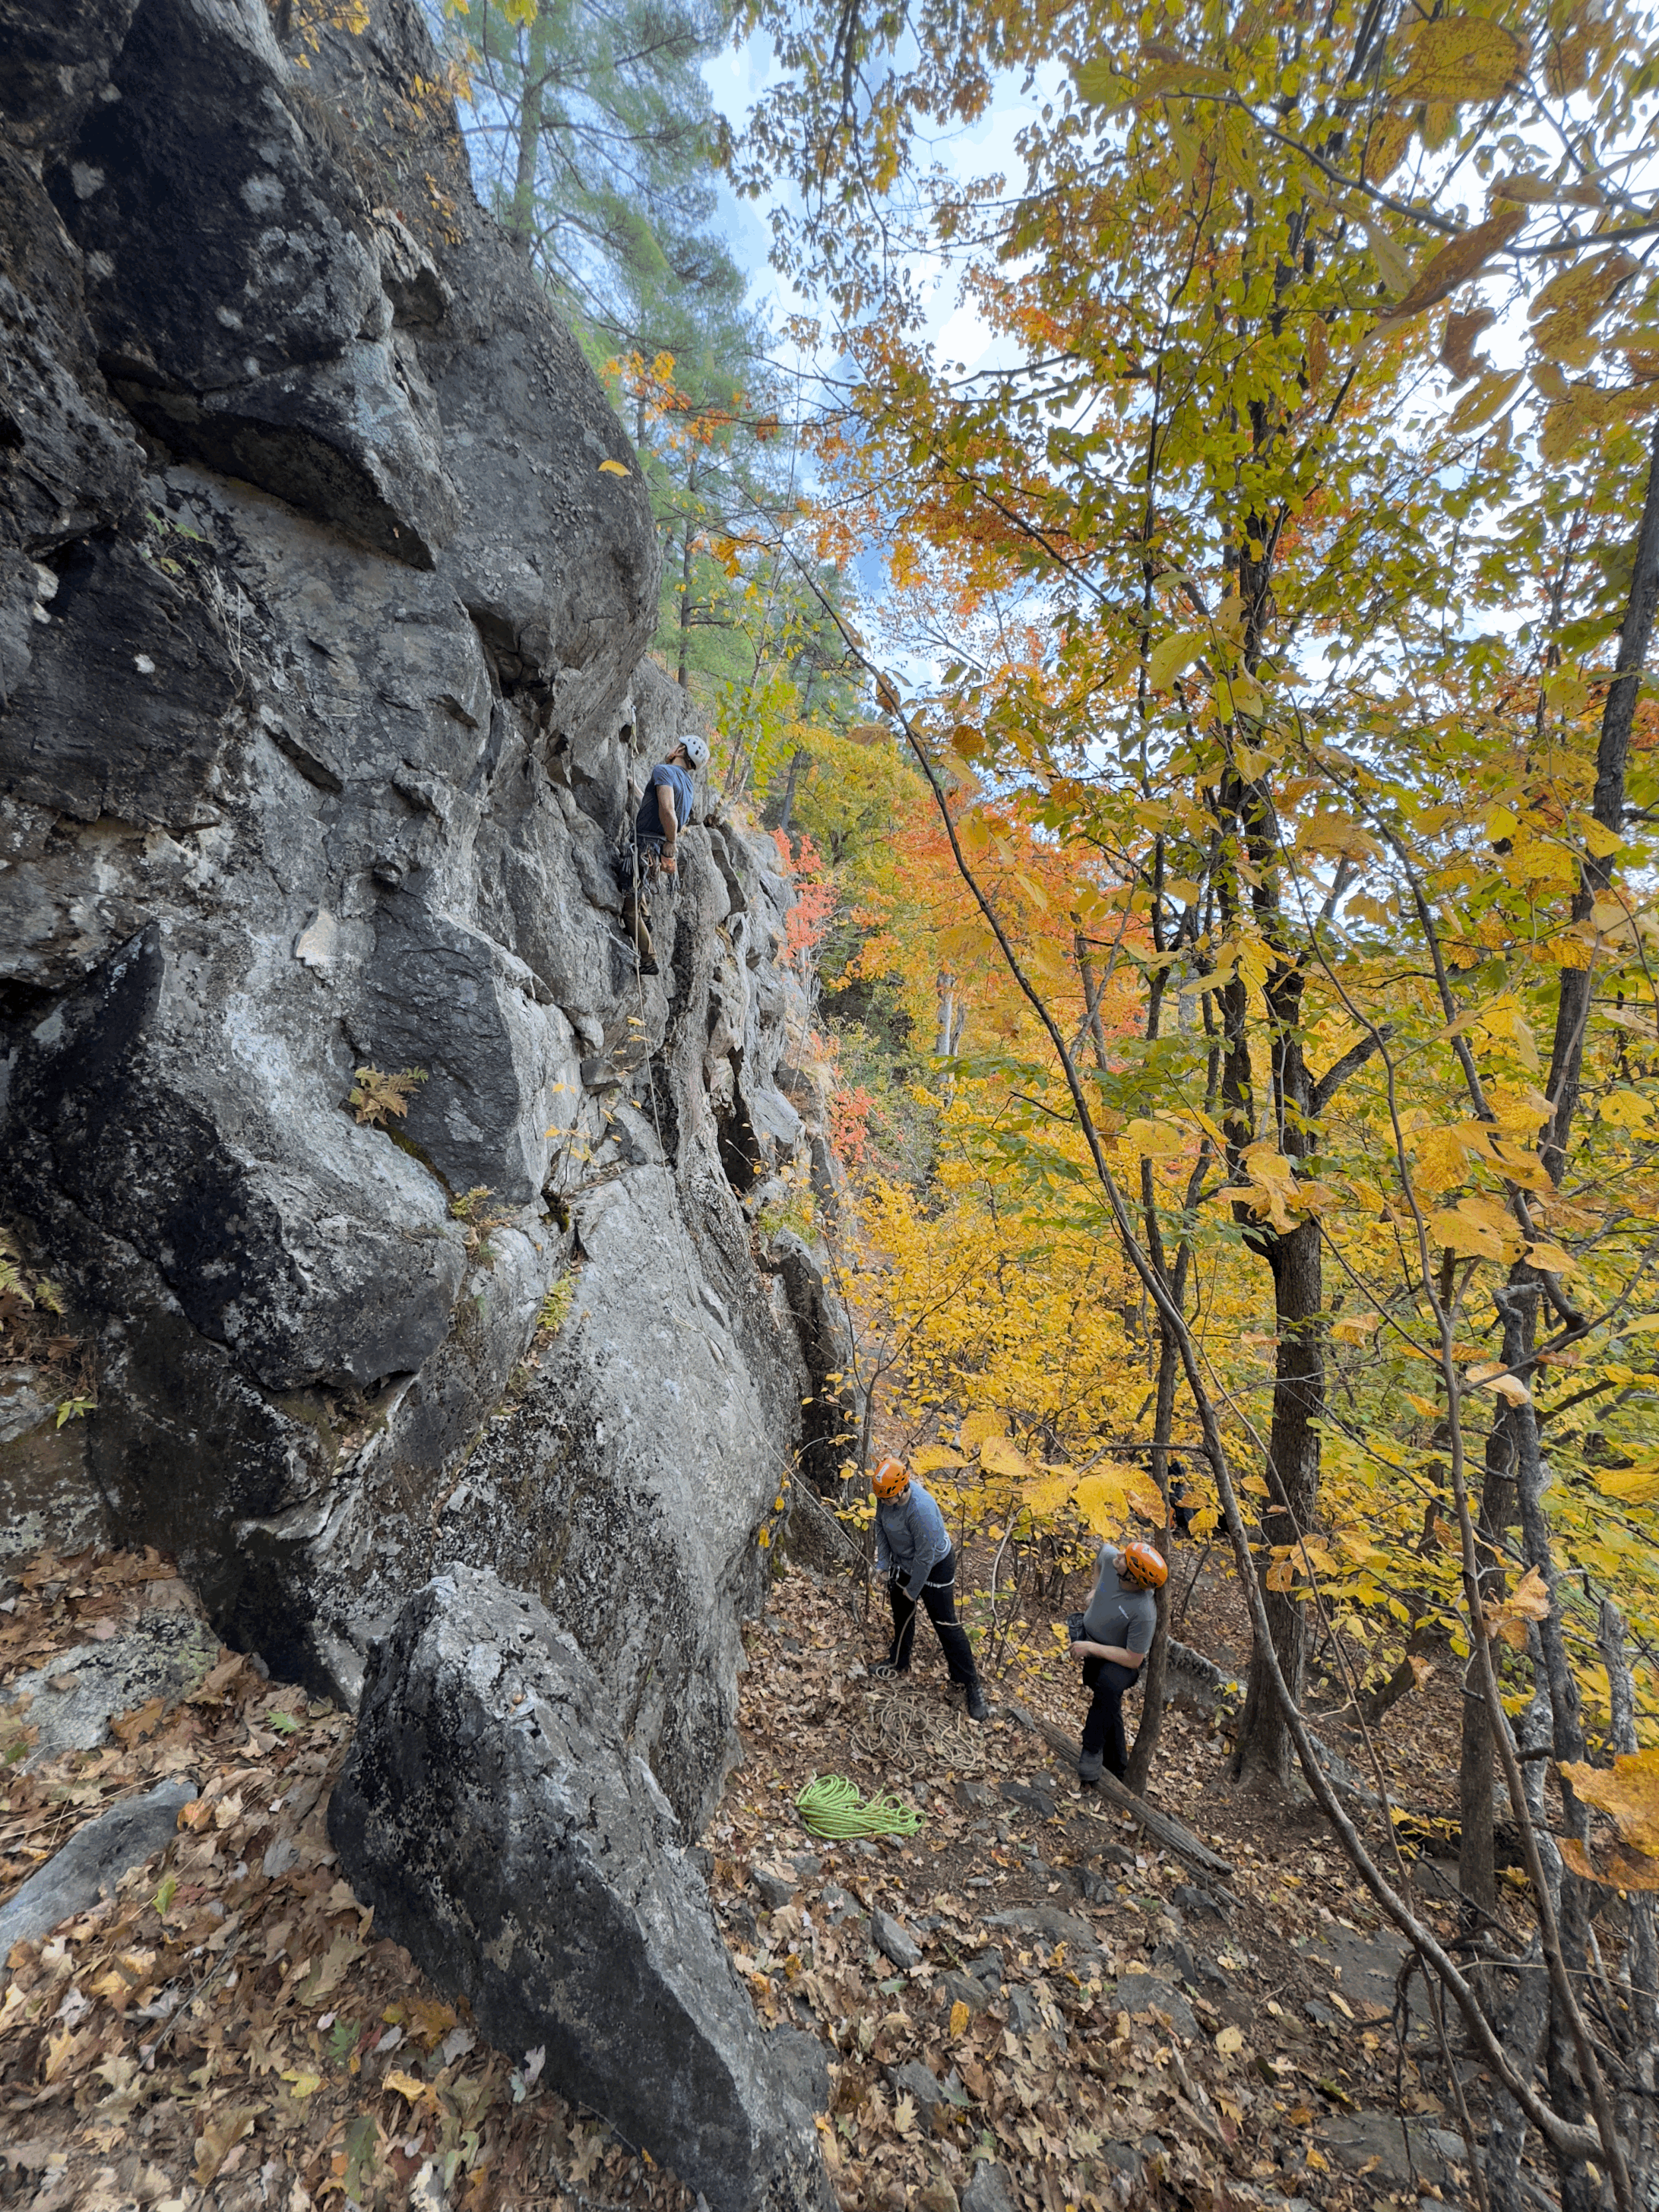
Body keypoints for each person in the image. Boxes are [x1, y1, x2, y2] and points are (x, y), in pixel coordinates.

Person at [869, 1457, 988, 1722]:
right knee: (902, 1616)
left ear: (901, 1489)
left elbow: (926, 1557)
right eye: (881, 1498)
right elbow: (880, 1526)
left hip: (935, 1566)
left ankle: (970, 1683)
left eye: (887, 1498)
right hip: (903, 1563)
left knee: (946, 1625)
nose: (884, 1503)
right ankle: (898, 1661)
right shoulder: (884, 1495)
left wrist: (913, 1590)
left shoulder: (921, 1509)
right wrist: (883, 1564)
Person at [1065, 1538, 1167, 1785]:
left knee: (1108, 1686)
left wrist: (1091, 1648)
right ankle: (1118, 1769)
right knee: (1107, 1704)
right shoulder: (1113, 1562)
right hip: (1093, 1645)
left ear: (1134, 1578)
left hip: (1120, 1661)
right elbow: (1101, 1553)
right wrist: (1095, 1587)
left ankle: (1091, 1752)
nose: (1119, 1555)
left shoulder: (1144, 1612)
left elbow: (1134, 1658)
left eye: (1125, 1558)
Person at [620, 732, 709, 976]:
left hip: (647, 846)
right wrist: (637, 789)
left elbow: (668, 811)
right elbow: (658, 808)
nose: (672, 747)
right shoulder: (688, 786)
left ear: (681, 751)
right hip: (655, 850)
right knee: (638, 893)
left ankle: (649, 960)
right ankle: (646, 917)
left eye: (676, 745)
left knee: (629, 909)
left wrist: (672, 841)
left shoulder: (664, 770)